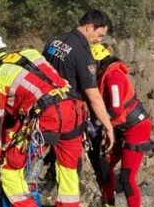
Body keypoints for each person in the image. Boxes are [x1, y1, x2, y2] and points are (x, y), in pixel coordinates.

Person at [0, 30, 86, 207]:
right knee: (67, 168)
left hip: (47, 118)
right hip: (75, 110)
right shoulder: (32, 53)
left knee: (10, 169)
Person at [88, 43, 152, 207]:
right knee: (104, 164)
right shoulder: (104, 75)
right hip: (120, 127)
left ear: (99, 63)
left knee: (127, 177)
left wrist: (98, 125)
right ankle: (108, 204)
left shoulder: (114, 77)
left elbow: (116, 111)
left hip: (136, 129)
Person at [42, 9, 116, 154]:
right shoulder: (83, 53)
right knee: (70, 164)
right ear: (89, 27)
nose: (100, 40)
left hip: (42, 108)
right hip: (66, 116)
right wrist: (108, 127)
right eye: (100, 35)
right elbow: (93, 95)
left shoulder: (55, 40)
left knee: (33, 158)